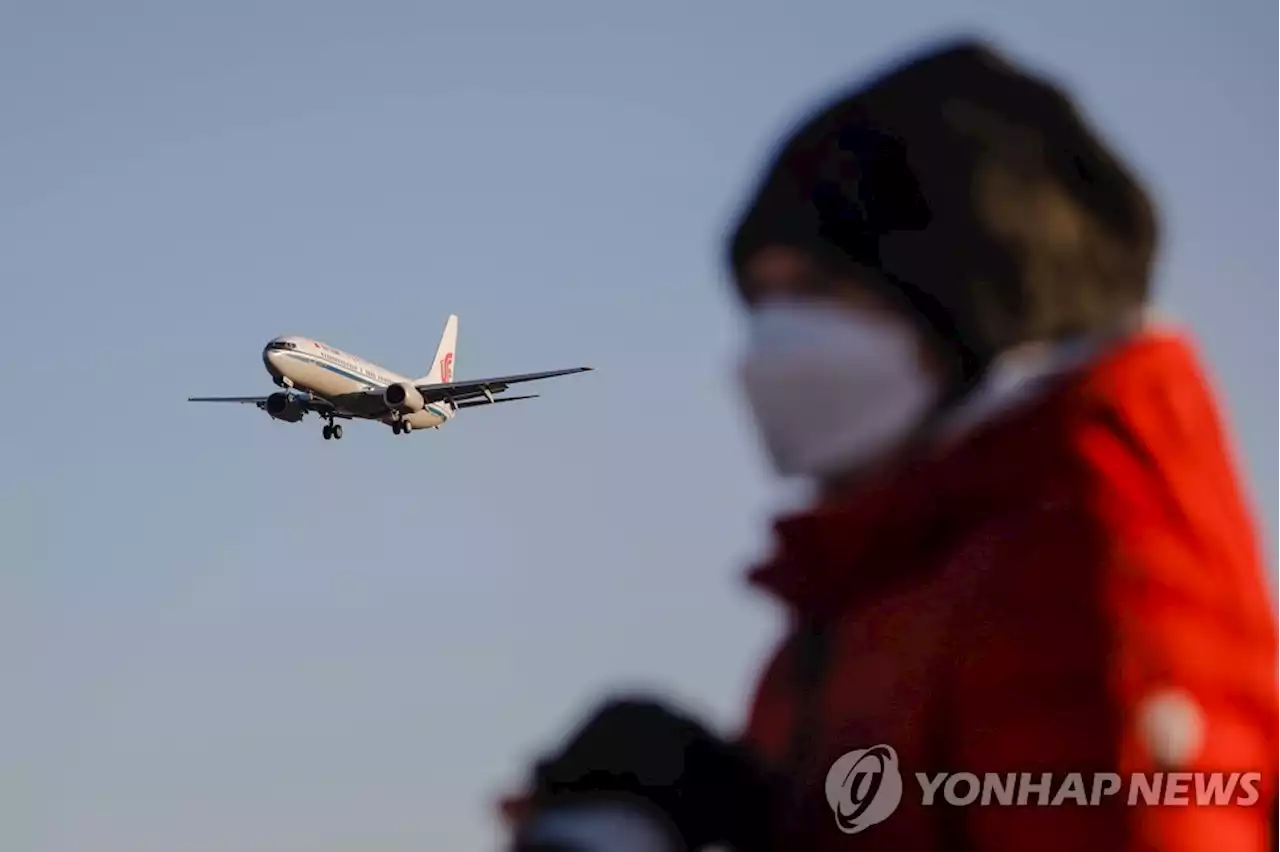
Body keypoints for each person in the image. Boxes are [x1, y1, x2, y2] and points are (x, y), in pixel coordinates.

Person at [500, 37, 1280, 852]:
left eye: (816, 291)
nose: (772, 343)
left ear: (965, 301)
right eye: (761, 301)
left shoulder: (1085, 576)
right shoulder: (874, 592)